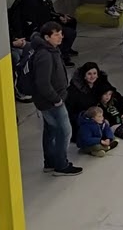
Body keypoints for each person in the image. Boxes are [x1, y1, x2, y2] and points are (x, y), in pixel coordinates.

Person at [26, 21, 81, 175]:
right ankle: (61, 165)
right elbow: (43, 82)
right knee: (65, 131)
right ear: (47, 37)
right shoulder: (45, 55)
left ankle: (50, 162)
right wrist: (56, 99)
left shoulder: (51, 50)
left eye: (61, 33)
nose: (61, 37)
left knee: (50, 130)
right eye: (56, 34)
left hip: (50, 100)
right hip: (51, 102)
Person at [10, 0, 79, 67]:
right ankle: (62, 56)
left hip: (46, 23)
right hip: (38, 29)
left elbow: (49, 12)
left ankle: (66, 49)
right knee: (68, 32)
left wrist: (59, 17)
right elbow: (35, 20)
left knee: (71, 21)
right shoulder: (30, 0)